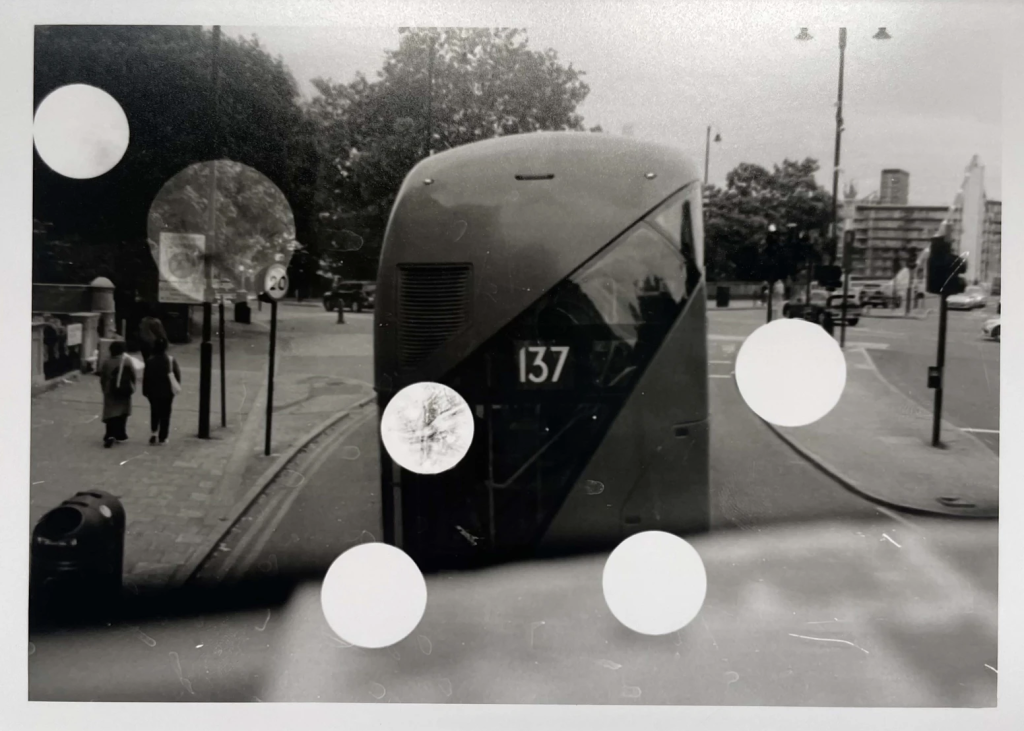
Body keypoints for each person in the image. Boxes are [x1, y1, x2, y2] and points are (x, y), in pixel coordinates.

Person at [143, 338, 181, 445]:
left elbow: (146, 378)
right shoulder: (170, 360)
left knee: (154, 412)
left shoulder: (150, 361)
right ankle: (163, 437)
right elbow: (177, 375)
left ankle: (154, 432)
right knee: (166, 414)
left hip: (153, 392)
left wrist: (145, 391)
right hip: (167, 392)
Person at [99, 341, 136, 448]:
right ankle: (121, 434)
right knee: (123, 413)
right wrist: (132, 388)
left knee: (111, 413)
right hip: (124, 391)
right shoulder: (127, 361)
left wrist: (104, 389)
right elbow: (133, 375)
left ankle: (110, 434)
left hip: (110, 390)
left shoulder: (107, 362)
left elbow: (103, 377)